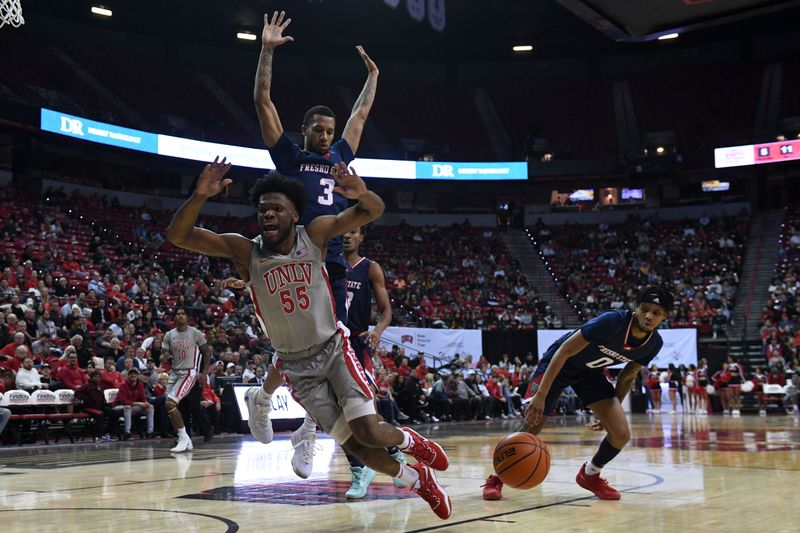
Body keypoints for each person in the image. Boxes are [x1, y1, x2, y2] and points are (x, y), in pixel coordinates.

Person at [165, 158, 451, 519]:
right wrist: (199, 195)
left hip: (334, 349)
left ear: (295, 214)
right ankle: (415, 477)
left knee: (369, 431)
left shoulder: (314, 234)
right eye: (263, 210)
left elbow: (374, 210)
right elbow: (178, 236)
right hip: (296, 366)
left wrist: (361, 191)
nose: (268, 215)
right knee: (356, 446)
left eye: (277, 209)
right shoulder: (246, 251)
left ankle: (413, 442)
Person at [252, 11, 384, 479]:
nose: (327, 137)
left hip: (328, 260)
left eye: (330, 131)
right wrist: (267, 50)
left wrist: (373, 76)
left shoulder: (343, 157)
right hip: (291, 254)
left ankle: (302, 427)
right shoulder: (290, 155)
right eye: (320, 131)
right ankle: (268, 399)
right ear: (306, 131)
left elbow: (361, 113)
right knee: (298, 344)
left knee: (325, 344)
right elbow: (263, 101)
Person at [483, 286, 673, 501]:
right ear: (636, 307)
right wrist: (541, 394)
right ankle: (497, 477)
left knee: (620, 433)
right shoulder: (612, 321)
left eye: (656, 313)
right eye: (645, 309)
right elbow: (564, 350)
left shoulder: (654, 344)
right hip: (558, 363)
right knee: (532, 424)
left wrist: (612, 409)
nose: (648, 316)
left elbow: (627, 376)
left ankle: (590, 475)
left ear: (664, 316)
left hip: (588, 372)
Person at [340, 224, 403, 498]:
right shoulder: (327, 264)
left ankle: (393, 450)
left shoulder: (370, 268)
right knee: (338, 415)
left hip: (357, 342)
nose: (346, 235)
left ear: (360, 237)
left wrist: (377, 331)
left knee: (366, 407)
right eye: (342, 231)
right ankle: (359, 468)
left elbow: (386, 310)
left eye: (352, 231)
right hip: (330, 343)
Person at [161, 308, 213, 452]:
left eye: (183, 314)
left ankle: (184, 438)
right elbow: (164, 354)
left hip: (189, 373)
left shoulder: (195, 333)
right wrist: (163, 357)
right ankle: (185, 438)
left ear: (187, 317)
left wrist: (204, 372)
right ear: (174, 318)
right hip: (174, 373)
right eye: (178, 313)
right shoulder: (169, 335)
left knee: (172, 403)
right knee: (171, 407)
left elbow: (207, 353)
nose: (181, 316)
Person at [112, 368, 155, 439]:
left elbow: (143, 398)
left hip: (132, 406)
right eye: (131, 374)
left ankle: (150, 432)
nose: (133, 375)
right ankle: (127, 432)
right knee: (127, 407)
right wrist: (138, 403)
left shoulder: (140, 385)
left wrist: (146, 403)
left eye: (135, 374)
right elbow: (123, 401)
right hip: (118, 406)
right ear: (128, 375)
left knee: (150, 407)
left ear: (138, 375)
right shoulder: (123, 385)